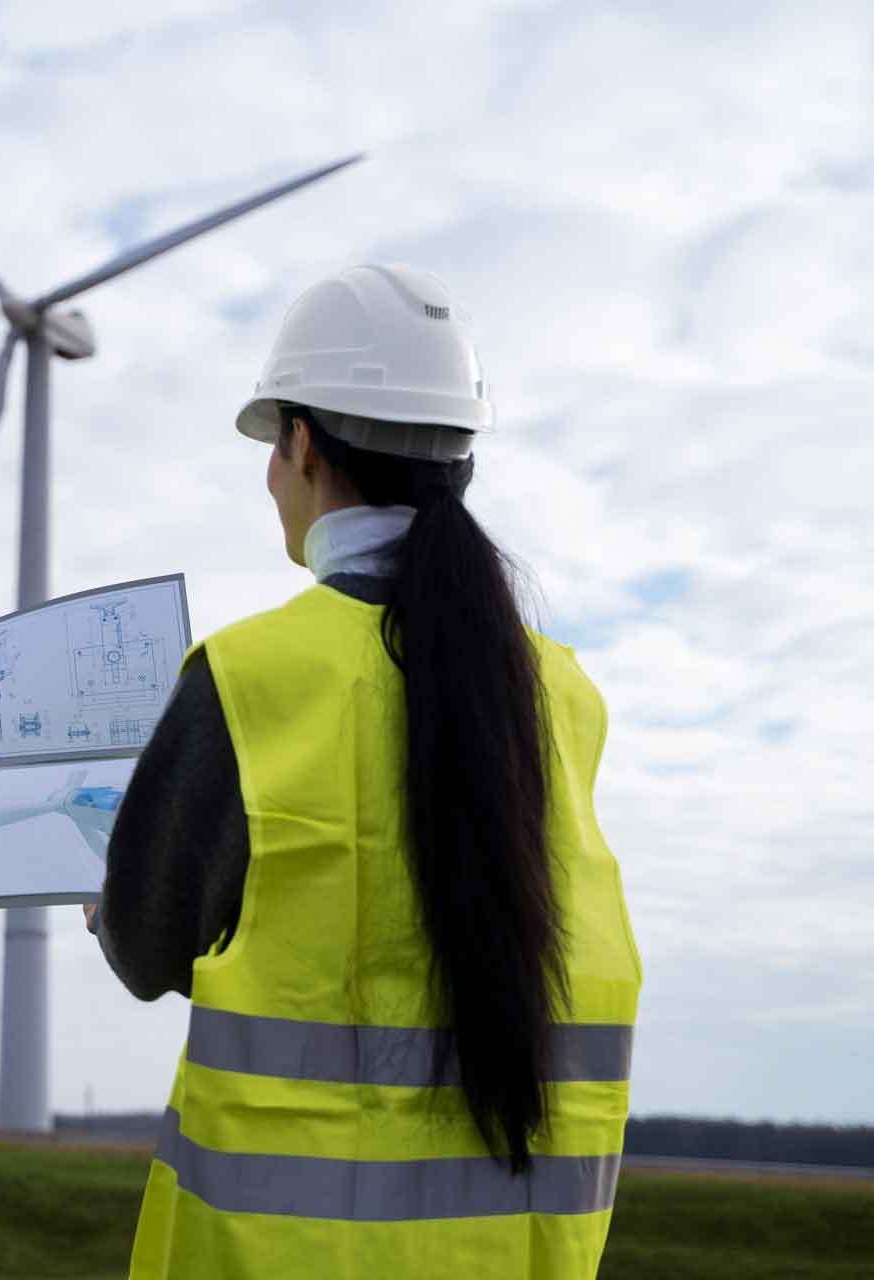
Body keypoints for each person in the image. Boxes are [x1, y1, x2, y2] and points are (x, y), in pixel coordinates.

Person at [88, 264, 642, 1277]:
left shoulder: (249, 678)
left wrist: (108, 902)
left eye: (271, 446)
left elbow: (143, 945)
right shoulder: (564, 698)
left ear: (301, 442)